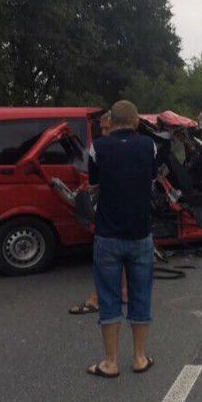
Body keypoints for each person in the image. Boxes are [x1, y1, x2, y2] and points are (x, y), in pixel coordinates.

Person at [86, 100, 158, 378]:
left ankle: (110, 362)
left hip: (107, 236)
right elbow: (152, 180)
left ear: (111, 122)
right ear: (136, 121)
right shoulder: (148, 146)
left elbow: (94, 185)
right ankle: (139, 357)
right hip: (140, 235)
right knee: (141, 295)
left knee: (108, 297)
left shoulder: (98, 147)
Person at [69, 112, 128, 314]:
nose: (103, 133)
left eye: (107, 128)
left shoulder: (105, 150)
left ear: (118, 126)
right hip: (126, 214)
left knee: (105, 258)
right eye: (101, 128)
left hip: (110, 215)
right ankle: (124, 292)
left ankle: (99, 299)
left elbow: (97, 183)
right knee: (123, 255)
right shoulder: (129, 148)